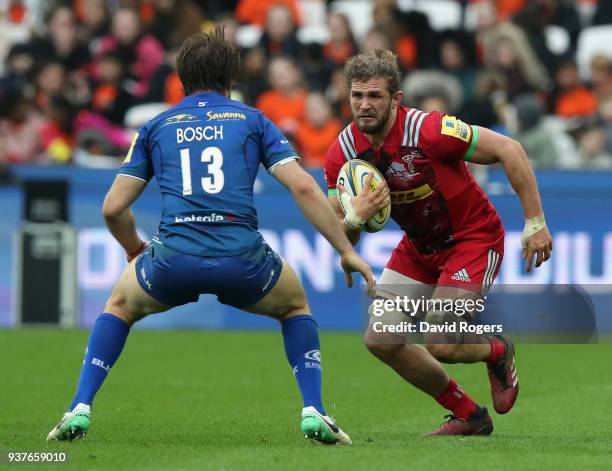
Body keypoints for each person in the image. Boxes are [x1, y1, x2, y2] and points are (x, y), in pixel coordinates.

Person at [47, 28, 374, 445]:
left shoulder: (157, 126)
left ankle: (80, 406)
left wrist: (134, 250)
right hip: (243, 259)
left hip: (172, 259)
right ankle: (314, 411)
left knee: (119, 306)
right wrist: (345, 249)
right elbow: (304, 188)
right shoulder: (253, 120)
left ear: (180, 76)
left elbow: (112, 207)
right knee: (294, 307)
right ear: (231, 77)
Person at [324, 50, 552, 436]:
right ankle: (470, 416)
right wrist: (353, 218)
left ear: (396, 99)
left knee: (441, 341)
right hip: (419, 248)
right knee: (381, 339)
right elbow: (341, 233)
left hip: (472, 239)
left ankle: (497, 350)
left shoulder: (430, 130)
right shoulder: (342, 154)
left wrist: (535, 222)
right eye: (357, 96)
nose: (364, 105)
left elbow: (509, 149)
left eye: (375, 96)